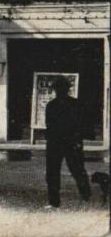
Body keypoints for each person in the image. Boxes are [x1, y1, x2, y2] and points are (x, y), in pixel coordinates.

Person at [45, 76, 91, 208]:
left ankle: (83, 196)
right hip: (63, 142)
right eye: (58, 88)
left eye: (61, 88)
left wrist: (77, 139)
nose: (59, 91)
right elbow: (50, 125)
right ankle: (83, 196)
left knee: (72, 170)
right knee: (64, 171)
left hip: (64, 142)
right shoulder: (70, 104)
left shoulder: (55, 105)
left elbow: (80, 124)